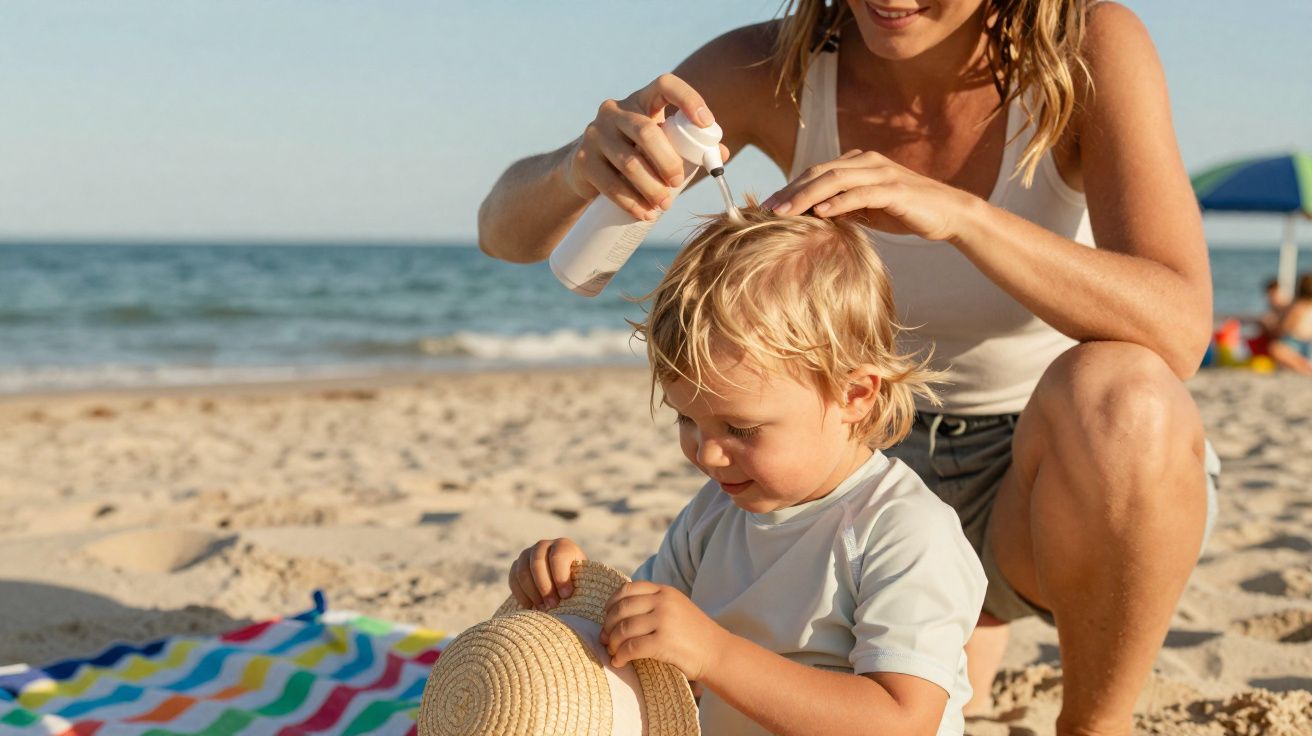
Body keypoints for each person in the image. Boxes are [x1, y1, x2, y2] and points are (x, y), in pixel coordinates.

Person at [480, 2, 1219, 733]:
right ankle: (964, 625)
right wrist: (582, 166)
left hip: (1035, 484)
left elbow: (1180, 331)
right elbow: (501, 232)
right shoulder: (776, 67)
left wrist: (963, 216)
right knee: (930, 678)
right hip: (835, 459)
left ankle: (1094, 723)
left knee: (1126, 398)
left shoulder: (1085, 44)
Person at [509, 207, 988, 735]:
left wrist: (715, 655)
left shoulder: (902, 531)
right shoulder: (713, 515)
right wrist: (571, 591)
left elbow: (901, 720)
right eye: (686, 419)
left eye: (741, 429)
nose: (707, 455)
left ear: (854, 395)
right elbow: (635, 640)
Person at [1270, 273, 1312, 374]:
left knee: (1275, 348)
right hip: (1308, 342)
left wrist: (1272, 328)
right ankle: (1306, 366)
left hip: (1296, 343)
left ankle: (1303, 367)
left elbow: (1285, 327)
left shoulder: (1298, 306)